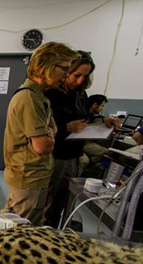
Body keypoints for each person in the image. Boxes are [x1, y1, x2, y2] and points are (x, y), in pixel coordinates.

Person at [1, 42, 78, 224]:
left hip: (34, 175)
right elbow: (43, 146)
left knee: (14, 222)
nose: (66, 75)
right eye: (64, 69)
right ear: (46, 65)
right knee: (19, 229)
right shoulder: (28, 98)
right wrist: (50, 135)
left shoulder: (41, 97)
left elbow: (54, 130)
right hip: (29, 176)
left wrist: (50, 133)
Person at [42, 51, 112, 227]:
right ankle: (43, 232)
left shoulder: (80, 94)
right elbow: (43, 125)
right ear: (66, 72)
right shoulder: (51, 93)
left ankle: (56, 233)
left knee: (63, 201)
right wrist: (66, 127)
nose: (80, 80)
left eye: (85, 76)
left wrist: (100, 120)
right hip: (55, 155)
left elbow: (84, 117)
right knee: (47, 202)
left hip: (74, 154)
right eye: (76, 75)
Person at [81, 94, 118, 177]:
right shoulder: (84, 114)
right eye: (102, 106)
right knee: (85, 160)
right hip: (81, 142)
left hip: (88, 143)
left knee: (103, 153)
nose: (102, 109)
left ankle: (87, 174)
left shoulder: (95, 117)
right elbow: (90, 119)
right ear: (95, 105)